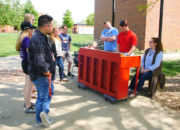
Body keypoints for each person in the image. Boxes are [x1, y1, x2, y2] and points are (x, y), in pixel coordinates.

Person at [28, 15, 54, 127]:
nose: (53, 27)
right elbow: (40, 60)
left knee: (49, 92)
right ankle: (40, 120)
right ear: (47, 26)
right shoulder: (38, 38)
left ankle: (44, 114)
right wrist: (47, 72)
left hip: (44, 74)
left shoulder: (43, 36)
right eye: (52, 25)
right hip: (41, 74)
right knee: (42, 97)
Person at [16, 22, 36, 113]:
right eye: (31, 28)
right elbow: (30, 54)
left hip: (25, 63)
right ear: (27, 29)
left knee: (28, 84)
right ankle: (28, 107)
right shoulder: (26, 39)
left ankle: (27, 102)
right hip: (28, 63)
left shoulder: (22, 38)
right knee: (29, 85)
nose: (33, 30)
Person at [24, 13, 37, 99]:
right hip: (29, 60)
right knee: (28, 82)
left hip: (28, 60)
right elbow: (28, 49)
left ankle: (28, 96)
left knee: (29, 82)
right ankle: (27, 102)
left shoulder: (29, 32)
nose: (33, 21)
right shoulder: (27, 33)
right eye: (32, 20)